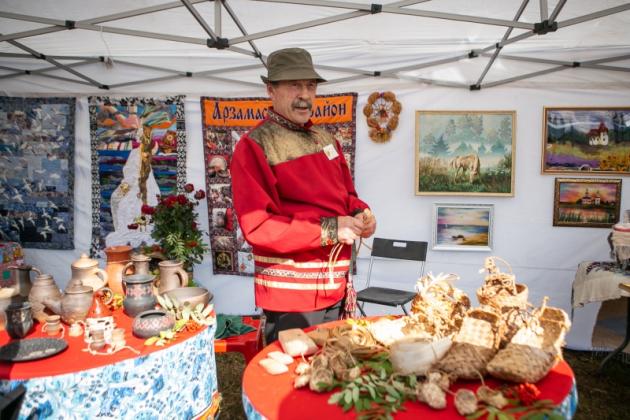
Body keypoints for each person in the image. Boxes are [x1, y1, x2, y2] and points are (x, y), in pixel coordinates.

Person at [231, 48, 376, 343]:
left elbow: (345, 194)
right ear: (270, 90)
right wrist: (332, 229)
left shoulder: (326, 139)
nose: (305, 94)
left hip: (334, 285)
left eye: (310, 86)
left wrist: (361, 212)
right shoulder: (254, 146)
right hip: (293, 297)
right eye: (294, 85)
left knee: (329, 375)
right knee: (291, 380)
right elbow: (258, 227)